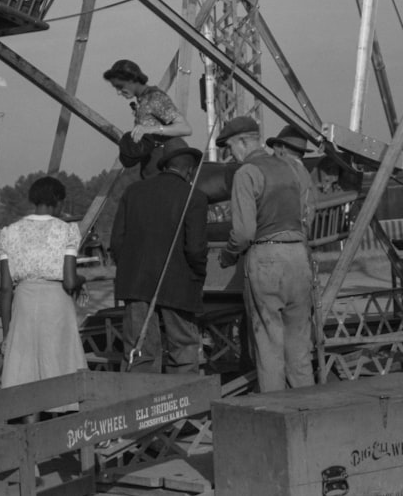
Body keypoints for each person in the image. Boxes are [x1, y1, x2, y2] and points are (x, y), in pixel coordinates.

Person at [217, 116, 317, 392]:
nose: (231, 155)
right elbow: (306, 214)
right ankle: (310, 411)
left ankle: (278, 416)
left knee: (269, 347)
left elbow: (244, 232)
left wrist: (227, 255)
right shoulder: (292, 168)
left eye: (229, 148)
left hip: (267, 258)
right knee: (299, 348)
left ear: (241, 142)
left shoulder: (246, 173)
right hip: (298, 255)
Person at [110, 138, 209, 373]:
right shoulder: (194, 197)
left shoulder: (133, 192)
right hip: (179, 286)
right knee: (184, 349)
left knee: (139, 352)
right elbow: (195, 249)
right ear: (190, 170)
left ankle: (141, 406)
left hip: (136, 285)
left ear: (165, 165)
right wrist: (198, 275)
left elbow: (116, 243)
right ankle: (184, 404)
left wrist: (130, 269)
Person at [0, 176, 88, 410]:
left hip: (24, 303)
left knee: (25, 371)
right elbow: (69, 281)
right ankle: (63, 428)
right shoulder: (66, 230)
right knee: (60, 363)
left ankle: (31, 431)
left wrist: (7, 334)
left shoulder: (9, 233)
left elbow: (6, 289)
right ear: (57, 201)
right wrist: (82, 280)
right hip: (55, 304)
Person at [103, 59, 192, 178]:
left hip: (164, 165)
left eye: (120, 87)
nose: (119, 92)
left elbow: (185, 128)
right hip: (152, 167)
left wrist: (150, 129)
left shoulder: (154, 98)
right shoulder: (142, 100)